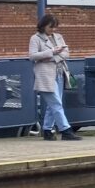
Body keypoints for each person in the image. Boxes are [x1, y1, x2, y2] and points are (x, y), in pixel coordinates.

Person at [28, 13, 81, 141]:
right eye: (51, 27)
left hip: (59, 73)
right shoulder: (35, 38)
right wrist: (51, 52)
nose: (53, 30)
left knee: (55, 104)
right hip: (45, 75)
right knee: (56, 103)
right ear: (44, 26)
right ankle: (65, 130)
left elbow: (66, 53)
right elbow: (33, 56)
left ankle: (47, 130)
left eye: (55, 27)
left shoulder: (58, 37)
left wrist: (52, 58)